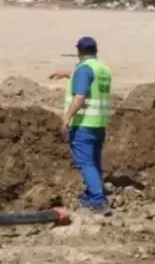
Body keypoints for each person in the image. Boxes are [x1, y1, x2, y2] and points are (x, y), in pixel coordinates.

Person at [48, 36, 112, 212]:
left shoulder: (84, 70)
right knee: (94, 161)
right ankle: (93, 194)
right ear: (96, 50)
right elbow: (91, 82)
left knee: (85, 163)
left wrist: (67, 117)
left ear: (78, 51)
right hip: (99, 123)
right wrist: (68, 74)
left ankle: (98, 201)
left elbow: (80, 97)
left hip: (84, 123)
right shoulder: (102, 68)